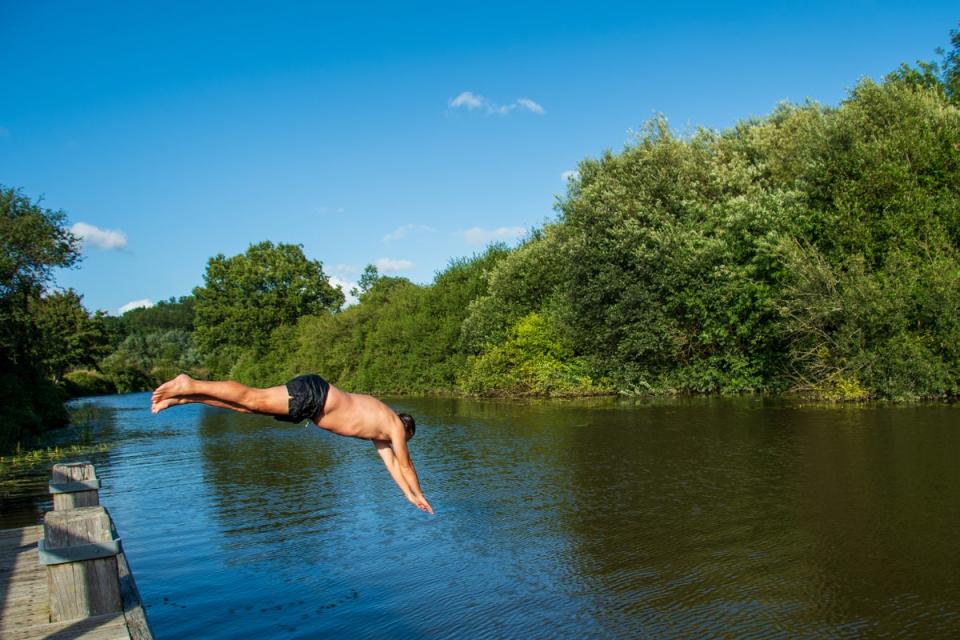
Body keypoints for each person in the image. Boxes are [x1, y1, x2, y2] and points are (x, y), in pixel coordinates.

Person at [151, 373, 433, 514]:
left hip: (313, 403)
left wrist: (408, 496)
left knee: (248, 408)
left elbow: (394, 467)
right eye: (403, 443)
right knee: (253, 398)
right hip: (317, 396)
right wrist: (420, 492)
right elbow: (406, 465)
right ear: (405, 431)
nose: (398, 446)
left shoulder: (379, 432)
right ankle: (189, 382)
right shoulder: (394, 426)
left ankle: (188, 397)